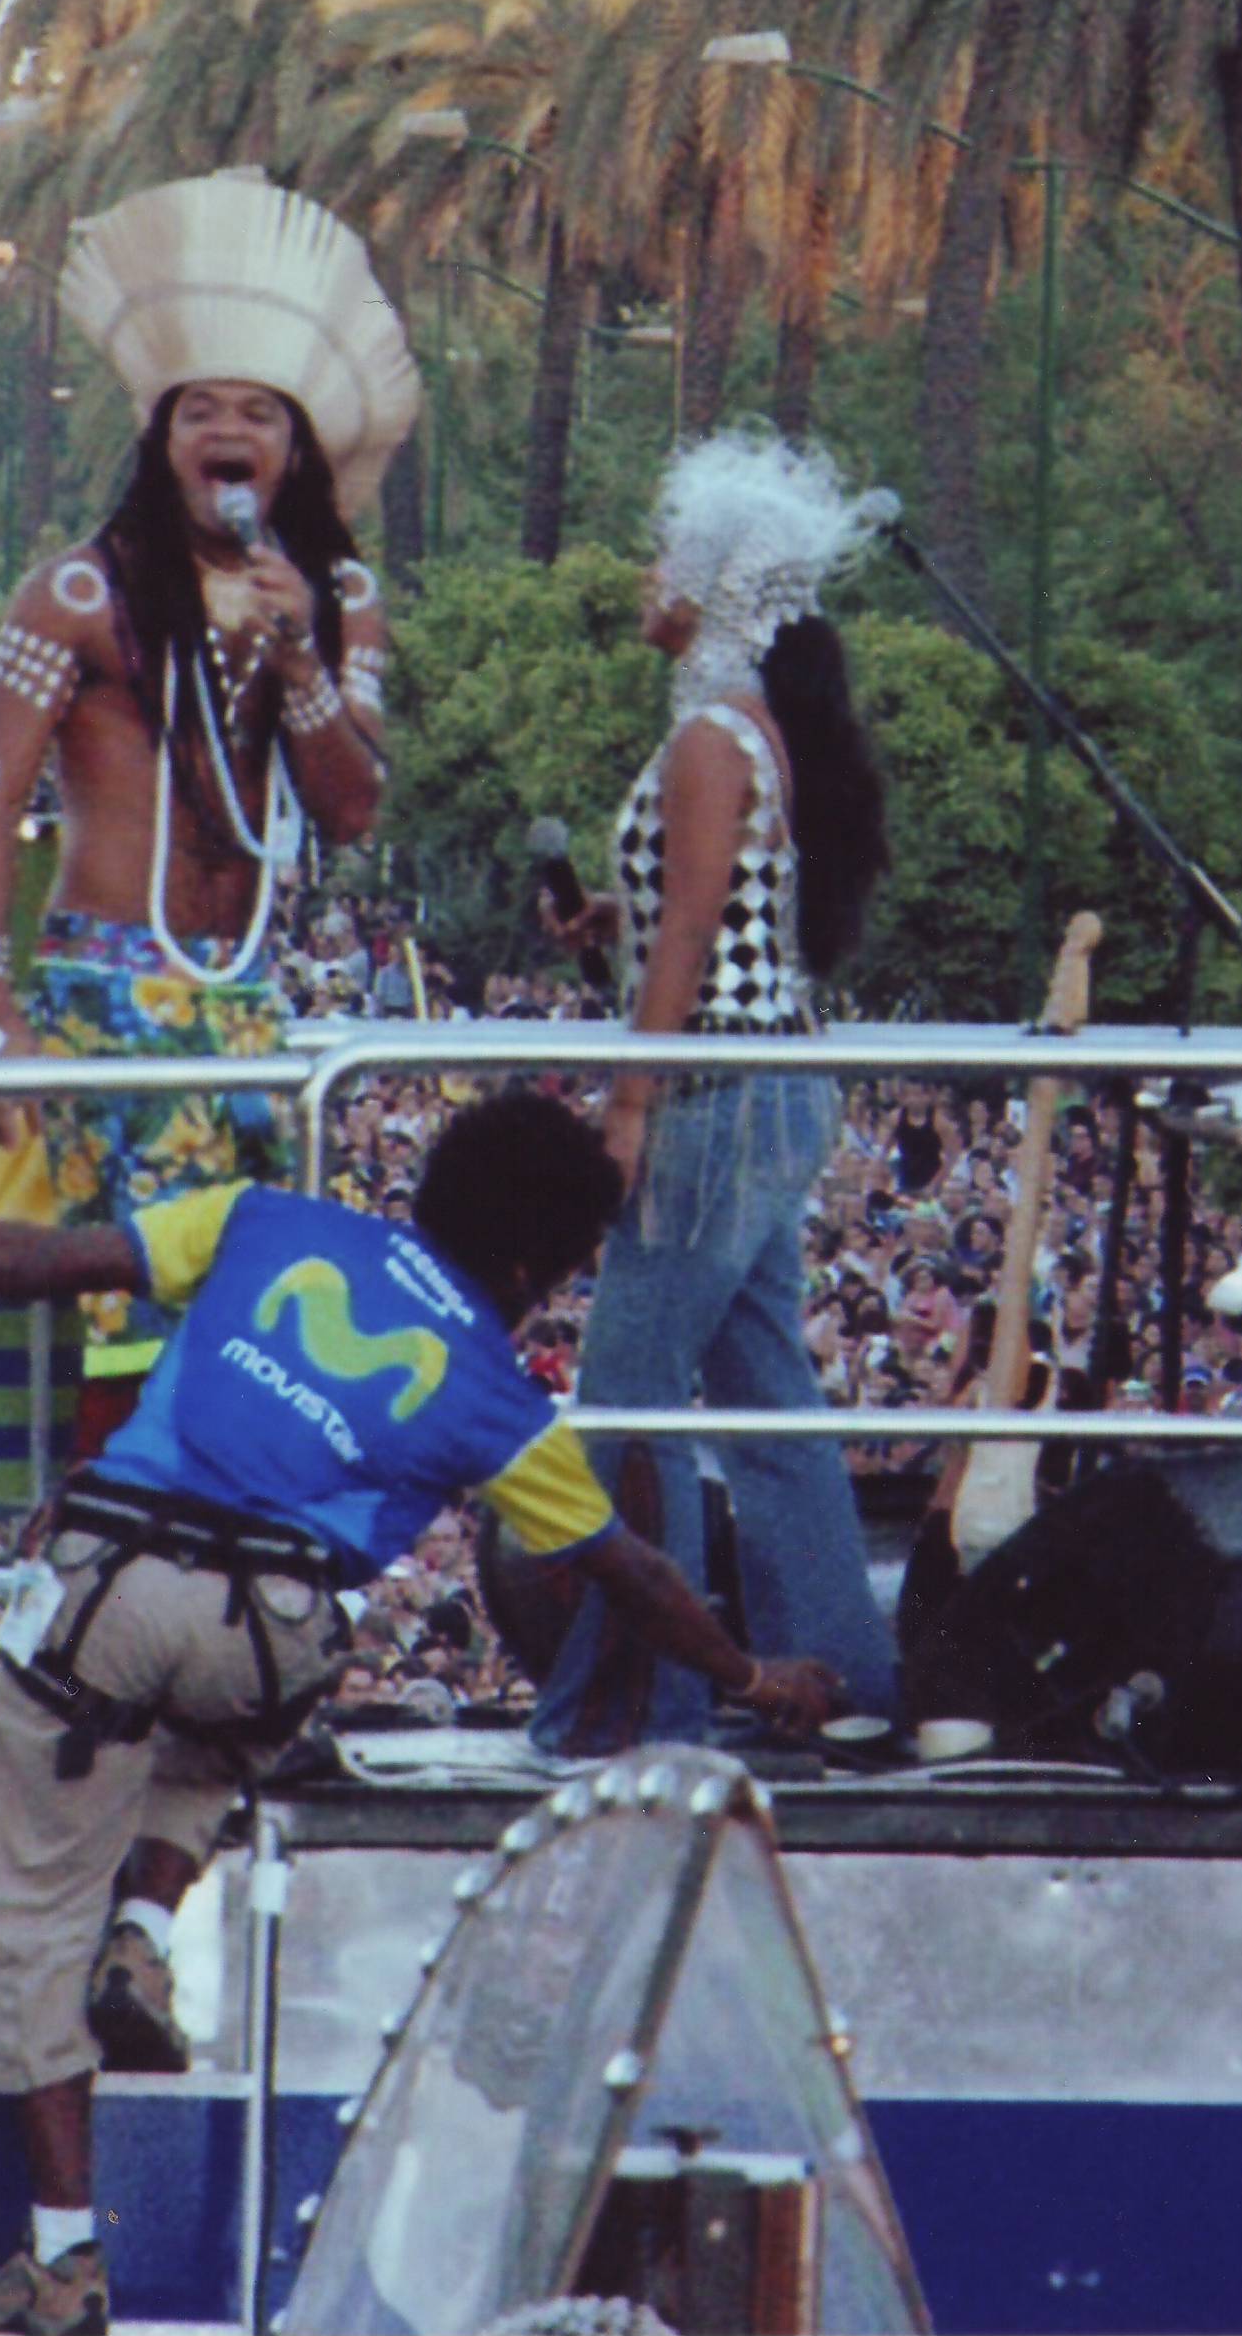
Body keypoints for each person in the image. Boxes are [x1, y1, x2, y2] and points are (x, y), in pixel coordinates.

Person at [0, 1089, 841, 2336]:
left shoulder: (264, 1221)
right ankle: (143, 1924)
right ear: (529, 1263)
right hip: (272, 1645)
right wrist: (753, 1680)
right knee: (228, 1715)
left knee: (30, 1916)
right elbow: (626, 1570)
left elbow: (48, 1262)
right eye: (567, 1272)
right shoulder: (497, 1398)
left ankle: (63, 2258)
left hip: (108, 1600)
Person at [0, 171, 413, 1394]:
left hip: (245, 990)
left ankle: (210, 1570)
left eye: (258, 412)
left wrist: (300, 652)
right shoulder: (79, 595)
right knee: (132, 1319)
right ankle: (117, 1559)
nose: (229, 434)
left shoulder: (340, 598)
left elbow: (354, 811)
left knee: (246, 1325)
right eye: (201, 408)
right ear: (163, 440)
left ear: (295, 447)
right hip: (107, 984)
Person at [527, 431, 901, 1753]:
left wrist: (626, 1103)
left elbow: (689, 937)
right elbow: (706, 909)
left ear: (709, 579)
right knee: (766, 1409)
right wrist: (608, 922)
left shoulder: (705, 734)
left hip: (707, 1097)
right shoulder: (752, 728)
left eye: (663, 554)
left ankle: (644, 1698)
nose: (646, 575)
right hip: (769, 1084)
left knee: (625, 1406)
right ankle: (842, 1681)